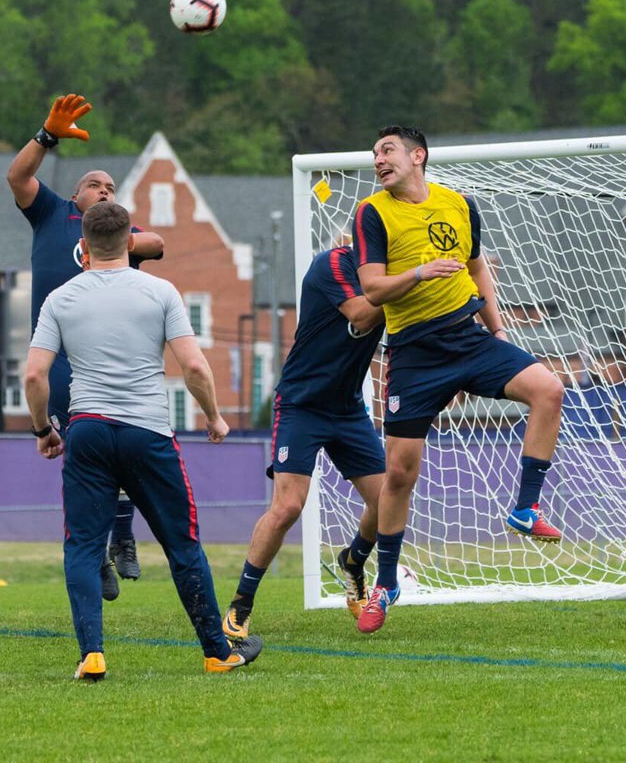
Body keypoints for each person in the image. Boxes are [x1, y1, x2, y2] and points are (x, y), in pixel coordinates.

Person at [24, 200, 261, 679]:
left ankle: (92, 653)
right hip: (147, 431)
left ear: (83, 246)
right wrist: (214, 417)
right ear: (131, 242)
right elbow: (194, 366)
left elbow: (34, 375)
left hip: (86, 430)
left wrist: (43, 429)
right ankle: (217, 652)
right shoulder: (160, 291)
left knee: (83, 547)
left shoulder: (60, 298)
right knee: (182, 543)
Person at [352, 126, 567, 634]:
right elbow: (372, 289)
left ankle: (524, 507)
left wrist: (497, 328)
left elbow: (476, 267)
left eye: (387, 150)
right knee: (400, 473)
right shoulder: (372, 212)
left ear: (417, 156)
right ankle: (385, 582)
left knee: (549, 389)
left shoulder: (460, 204)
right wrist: (420, 274)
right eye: (375, 154)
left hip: (468, 338)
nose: (379, 160)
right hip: (414, 355)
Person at [7, 93, 166, 597]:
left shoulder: (119, 233)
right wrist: (46, 136)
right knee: (84, 457)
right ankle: (96, 548)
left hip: (112, 362)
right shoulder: (53, 215)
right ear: (75, 198)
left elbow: (159, 244)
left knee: (124, 452)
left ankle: (123, 539)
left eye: (112, 188)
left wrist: (119, 242)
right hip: (60, 359)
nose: (104, 191)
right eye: (94, 185)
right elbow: (17, 178)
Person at [223, 244, 385, 639]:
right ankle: (240, 604)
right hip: (302, 404)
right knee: (288, 506)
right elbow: (362, 314)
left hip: (348, 409)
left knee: (389, 501)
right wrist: (416, 283)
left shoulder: (392, 276)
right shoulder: (333, 264)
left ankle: (353, 561)